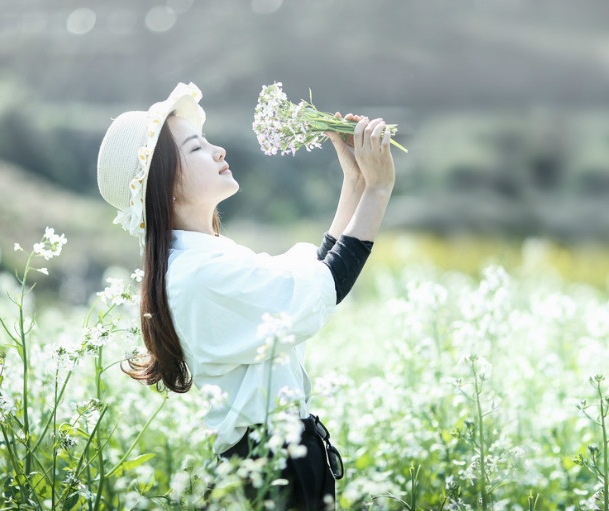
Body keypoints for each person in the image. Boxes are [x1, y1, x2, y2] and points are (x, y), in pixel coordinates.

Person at [95, 82, 396, 509]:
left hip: (278, 460)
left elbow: (310, 278)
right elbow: (326, 288)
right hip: (271, 468)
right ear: (166, 186)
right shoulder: (200, 274)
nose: (218, 151)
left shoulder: (206, 259)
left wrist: (356, 180)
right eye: (197, 149)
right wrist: (378, 190)